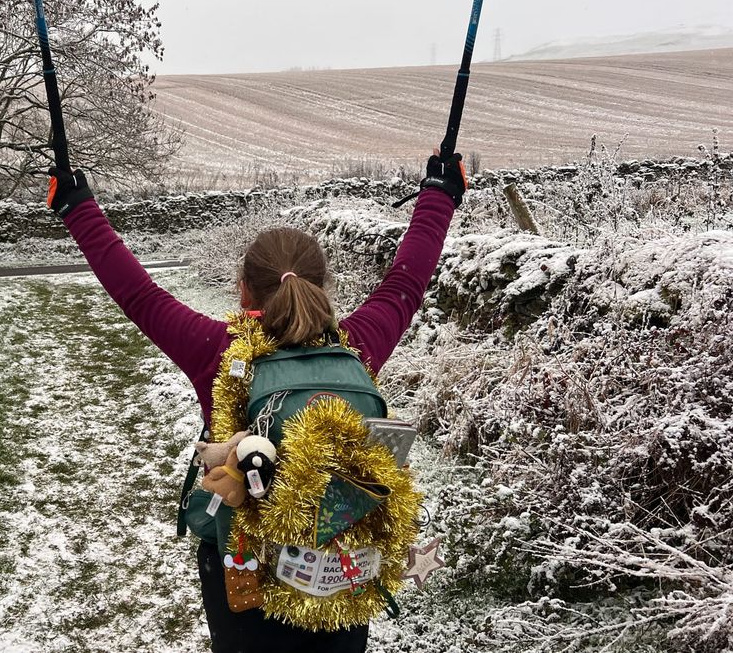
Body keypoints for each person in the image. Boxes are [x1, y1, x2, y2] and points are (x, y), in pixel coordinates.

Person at [45, 152, 465, 653]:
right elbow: (406, 282)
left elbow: (137, 292)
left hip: (241, 560)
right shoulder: (358, 345)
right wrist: (439, 196)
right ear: (322, 287)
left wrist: (76, 204)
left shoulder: (217, 352)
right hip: (340, 562)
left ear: (243, 290)